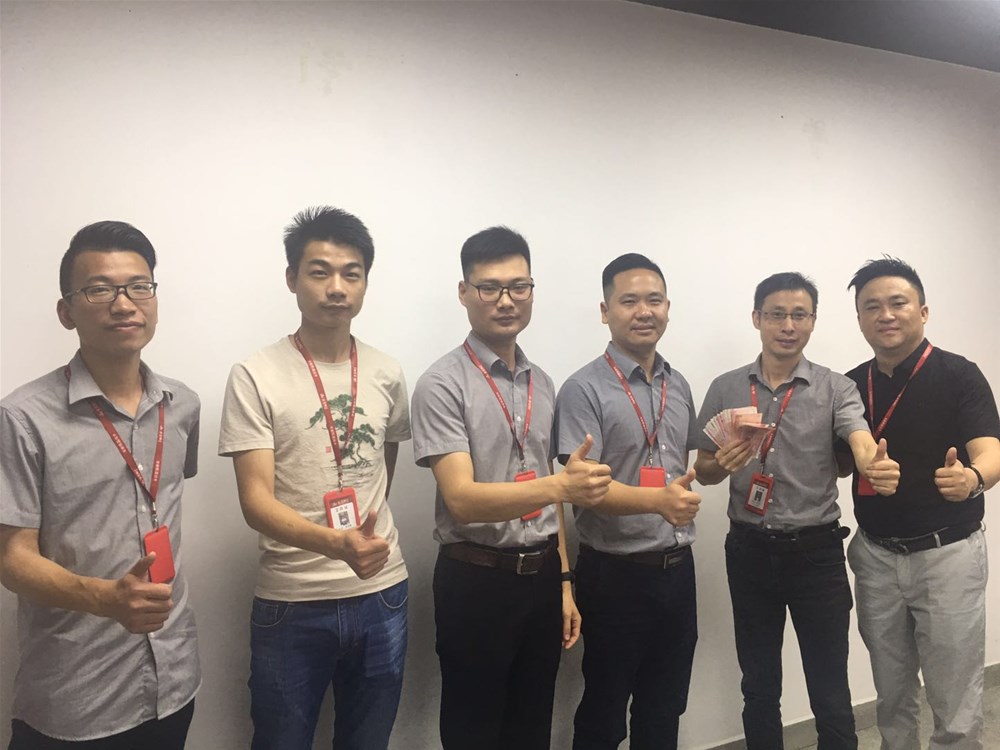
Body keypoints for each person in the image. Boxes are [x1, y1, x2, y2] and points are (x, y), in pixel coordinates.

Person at [410, 226, 612, 750]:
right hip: (475, 579)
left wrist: (563, 582)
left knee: (531, 727)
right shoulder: (442, 383)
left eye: (519, 286)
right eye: (490, 287)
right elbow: (462, 499)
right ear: (464, 293)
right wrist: (559, 485)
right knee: (474, 732)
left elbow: (552, 496)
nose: (506, 300)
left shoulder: (542, 382)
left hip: (541, 577)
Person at [0, 221, 200, 749]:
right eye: (99, 290)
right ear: (66, 311)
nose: (124, 304)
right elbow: (11, 559)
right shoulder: (22, 418)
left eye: (139, 286)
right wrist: (106, 598)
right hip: (77, 694)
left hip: (174, 679)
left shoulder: (182, 405)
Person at [219, 206, 410, 750]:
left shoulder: (387, 371)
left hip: (382, 594)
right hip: (292, 600)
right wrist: (336, 544)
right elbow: (256, 501)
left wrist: (359, 545)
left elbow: (382, 471)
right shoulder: (255, 374)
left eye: (352, 273)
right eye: (320, 272)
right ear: (292, 279)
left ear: (366, 283)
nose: (336, 288)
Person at [693, 272, 899, 750]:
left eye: (799, 315)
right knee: (758, 684)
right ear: (757, 318)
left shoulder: (835, 388)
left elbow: (858, 435)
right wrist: (720, 464)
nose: (788, 325)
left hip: (816, 553)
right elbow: (703, 471)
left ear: (813, 321)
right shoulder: (725, 387)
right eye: (777, 314)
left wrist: (871, 460)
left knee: (830, 688)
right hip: (748, 550)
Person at [843, 257, 999, 750]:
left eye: (897, 303)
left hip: (946, 555)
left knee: (955, 694)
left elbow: (991, 451)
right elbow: (837, 462)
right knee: (890, 692)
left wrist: (972, 478)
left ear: (923, 311)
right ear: (860, 318)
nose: (885, 315)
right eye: (872, 306)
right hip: (875, 556)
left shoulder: (959, 374)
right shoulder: (850, 385)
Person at [552, 253, 701, 750]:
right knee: (605, 711)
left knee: (666, 706)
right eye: (629, 300)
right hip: (615, 575)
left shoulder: (678, 384)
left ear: (667, 308)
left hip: (677, 570)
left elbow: (685, 471)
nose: (644, 311)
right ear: (605, 311)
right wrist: (658, 501)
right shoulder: (582, 389)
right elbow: (586, 489)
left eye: (654, 300)